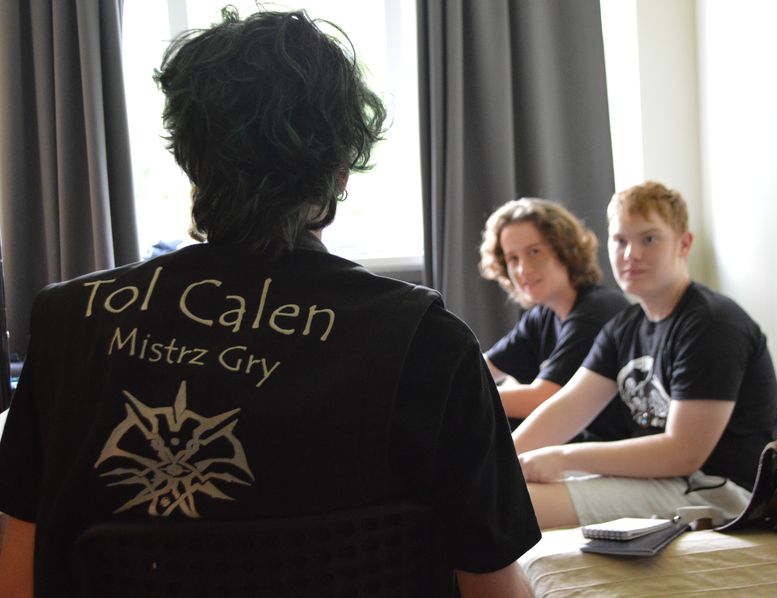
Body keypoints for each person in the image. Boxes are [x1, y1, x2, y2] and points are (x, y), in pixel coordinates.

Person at [0, 9, 539, 597]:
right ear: (340, 173)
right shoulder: (431, 343)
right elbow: (492, 588)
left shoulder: (69, 322)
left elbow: (17, 566)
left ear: (190, 160)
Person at [513, 181, 777, 530]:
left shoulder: (712, 324)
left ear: (684, 244)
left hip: (718, 489)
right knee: (492, 488)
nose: (631, 254)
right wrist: (497, 462)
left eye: (649, 239)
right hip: (660, 476)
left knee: (506, 505)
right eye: (620, 241)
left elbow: (684, 453)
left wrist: (563, 458)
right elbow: (566, 410)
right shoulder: (624, 327)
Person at [479, 198, 631, 437]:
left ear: (565, 251)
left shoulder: (597, 310)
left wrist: (462, 395)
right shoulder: (542, 316)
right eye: (512, 258)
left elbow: (544, 398)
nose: (523, 269)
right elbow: (479, 370)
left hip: (609, 445)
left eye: (534, 252)